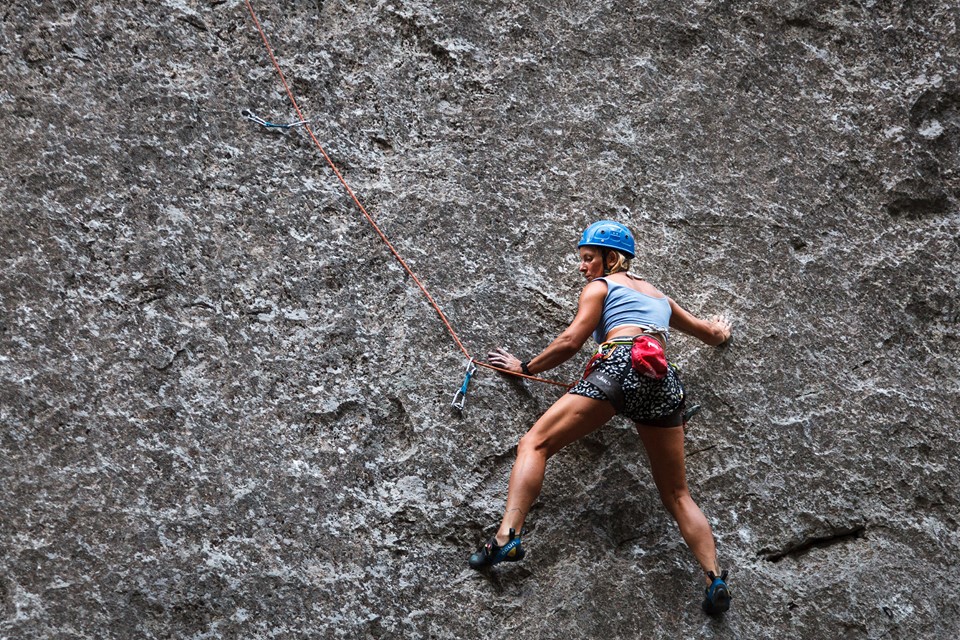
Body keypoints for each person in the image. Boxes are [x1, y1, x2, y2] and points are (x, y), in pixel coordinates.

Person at [468, 220, 734, 615]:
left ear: (612, 259)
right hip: (661, 379)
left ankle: (508, 535)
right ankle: (714, 578)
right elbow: (708, 333)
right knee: (678, 494)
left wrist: (524, 366)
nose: (582, 267)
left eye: (588, 258)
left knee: (535, 443)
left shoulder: (601, 287)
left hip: (621, 364)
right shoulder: (660, 297)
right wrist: (721, 332)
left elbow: (571, 340)